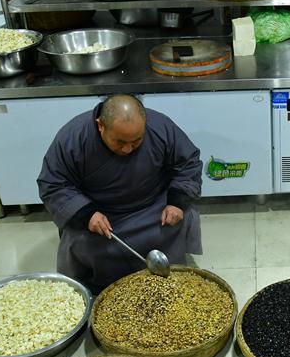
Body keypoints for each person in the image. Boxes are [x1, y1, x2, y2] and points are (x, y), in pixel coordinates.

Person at [38, 94, 203, 293]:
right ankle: (96, 287)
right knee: (79, 241)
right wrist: (85, 214)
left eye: (136, 141)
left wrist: (177, 201)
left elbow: (188, 163)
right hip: (101, 215)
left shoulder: (160, 126)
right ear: (101, 126)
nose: (127, 149)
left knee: (180, 219)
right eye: (120, 141)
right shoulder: (73, 137)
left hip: (152, 208)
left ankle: (166, 271)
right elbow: (53, 184)